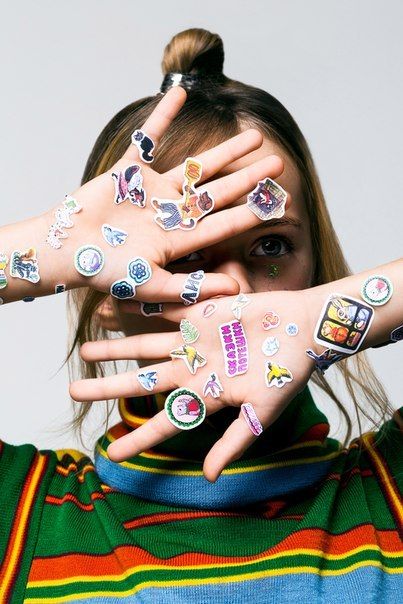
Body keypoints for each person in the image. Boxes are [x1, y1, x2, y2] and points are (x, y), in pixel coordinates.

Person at [0, 28, 401, 603]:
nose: (233, 288)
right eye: (183, 256)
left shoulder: (389, 497)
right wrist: (49, 246)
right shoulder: (25, 520)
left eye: (271, 248)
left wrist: (329, 316)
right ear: (106, 297)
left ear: (316, 274)